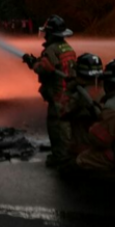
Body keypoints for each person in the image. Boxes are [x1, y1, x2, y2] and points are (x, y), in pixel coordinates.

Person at [22, 15, 77, 166]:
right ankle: (68, 154)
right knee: (67, 125)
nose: (45, 35)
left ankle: (61, 157)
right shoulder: (67, 48)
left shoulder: (51, 50)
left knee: (56, 127)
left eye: (47, 33)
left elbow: (45, 69)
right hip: (69, 92)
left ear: (51, 34)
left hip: (58, 95)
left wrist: (33, 63)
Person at [62, 53, 104, 158]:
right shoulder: (107, 90)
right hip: (105, 146)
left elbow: (62, 112)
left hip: (85, 149)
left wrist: (69, 88)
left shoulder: (80, 95)